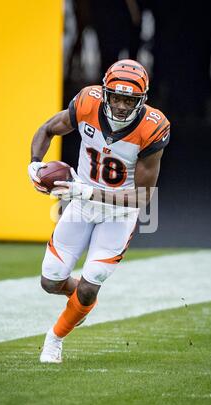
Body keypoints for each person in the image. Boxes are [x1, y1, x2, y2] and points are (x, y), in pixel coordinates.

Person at [28, 60, 170, 364]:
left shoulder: (152, 128)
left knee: (93, 283)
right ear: (105, 93)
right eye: (115, 97)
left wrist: (89, 190)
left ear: (141, 101)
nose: (120, 105)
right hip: (81, 204)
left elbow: (143, 196)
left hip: (118, 213)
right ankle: (80, 300)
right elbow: (47, 129)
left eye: (129, 100)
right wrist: (35, 163)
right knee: (50, 282)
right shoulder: (86, 102)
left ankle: (54, 339)